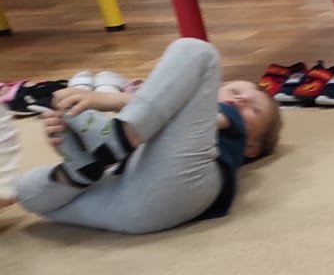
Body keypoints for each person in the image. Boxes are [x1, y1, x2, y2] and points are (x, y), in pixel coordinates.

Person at [0, 38, 280, 233]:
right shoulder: (159, 118)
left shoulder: (226, 128)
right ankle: (78, 171)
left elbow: (208, 117)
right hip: (128, 204)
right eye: (235, 91)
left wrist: (111, 100)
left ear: (252, 147)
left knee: (197, 52)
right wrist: (72, 142)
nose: (241, 99)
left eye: (253, 109)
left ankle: (116, 139)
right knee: (26, 191)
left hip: (179, 190)